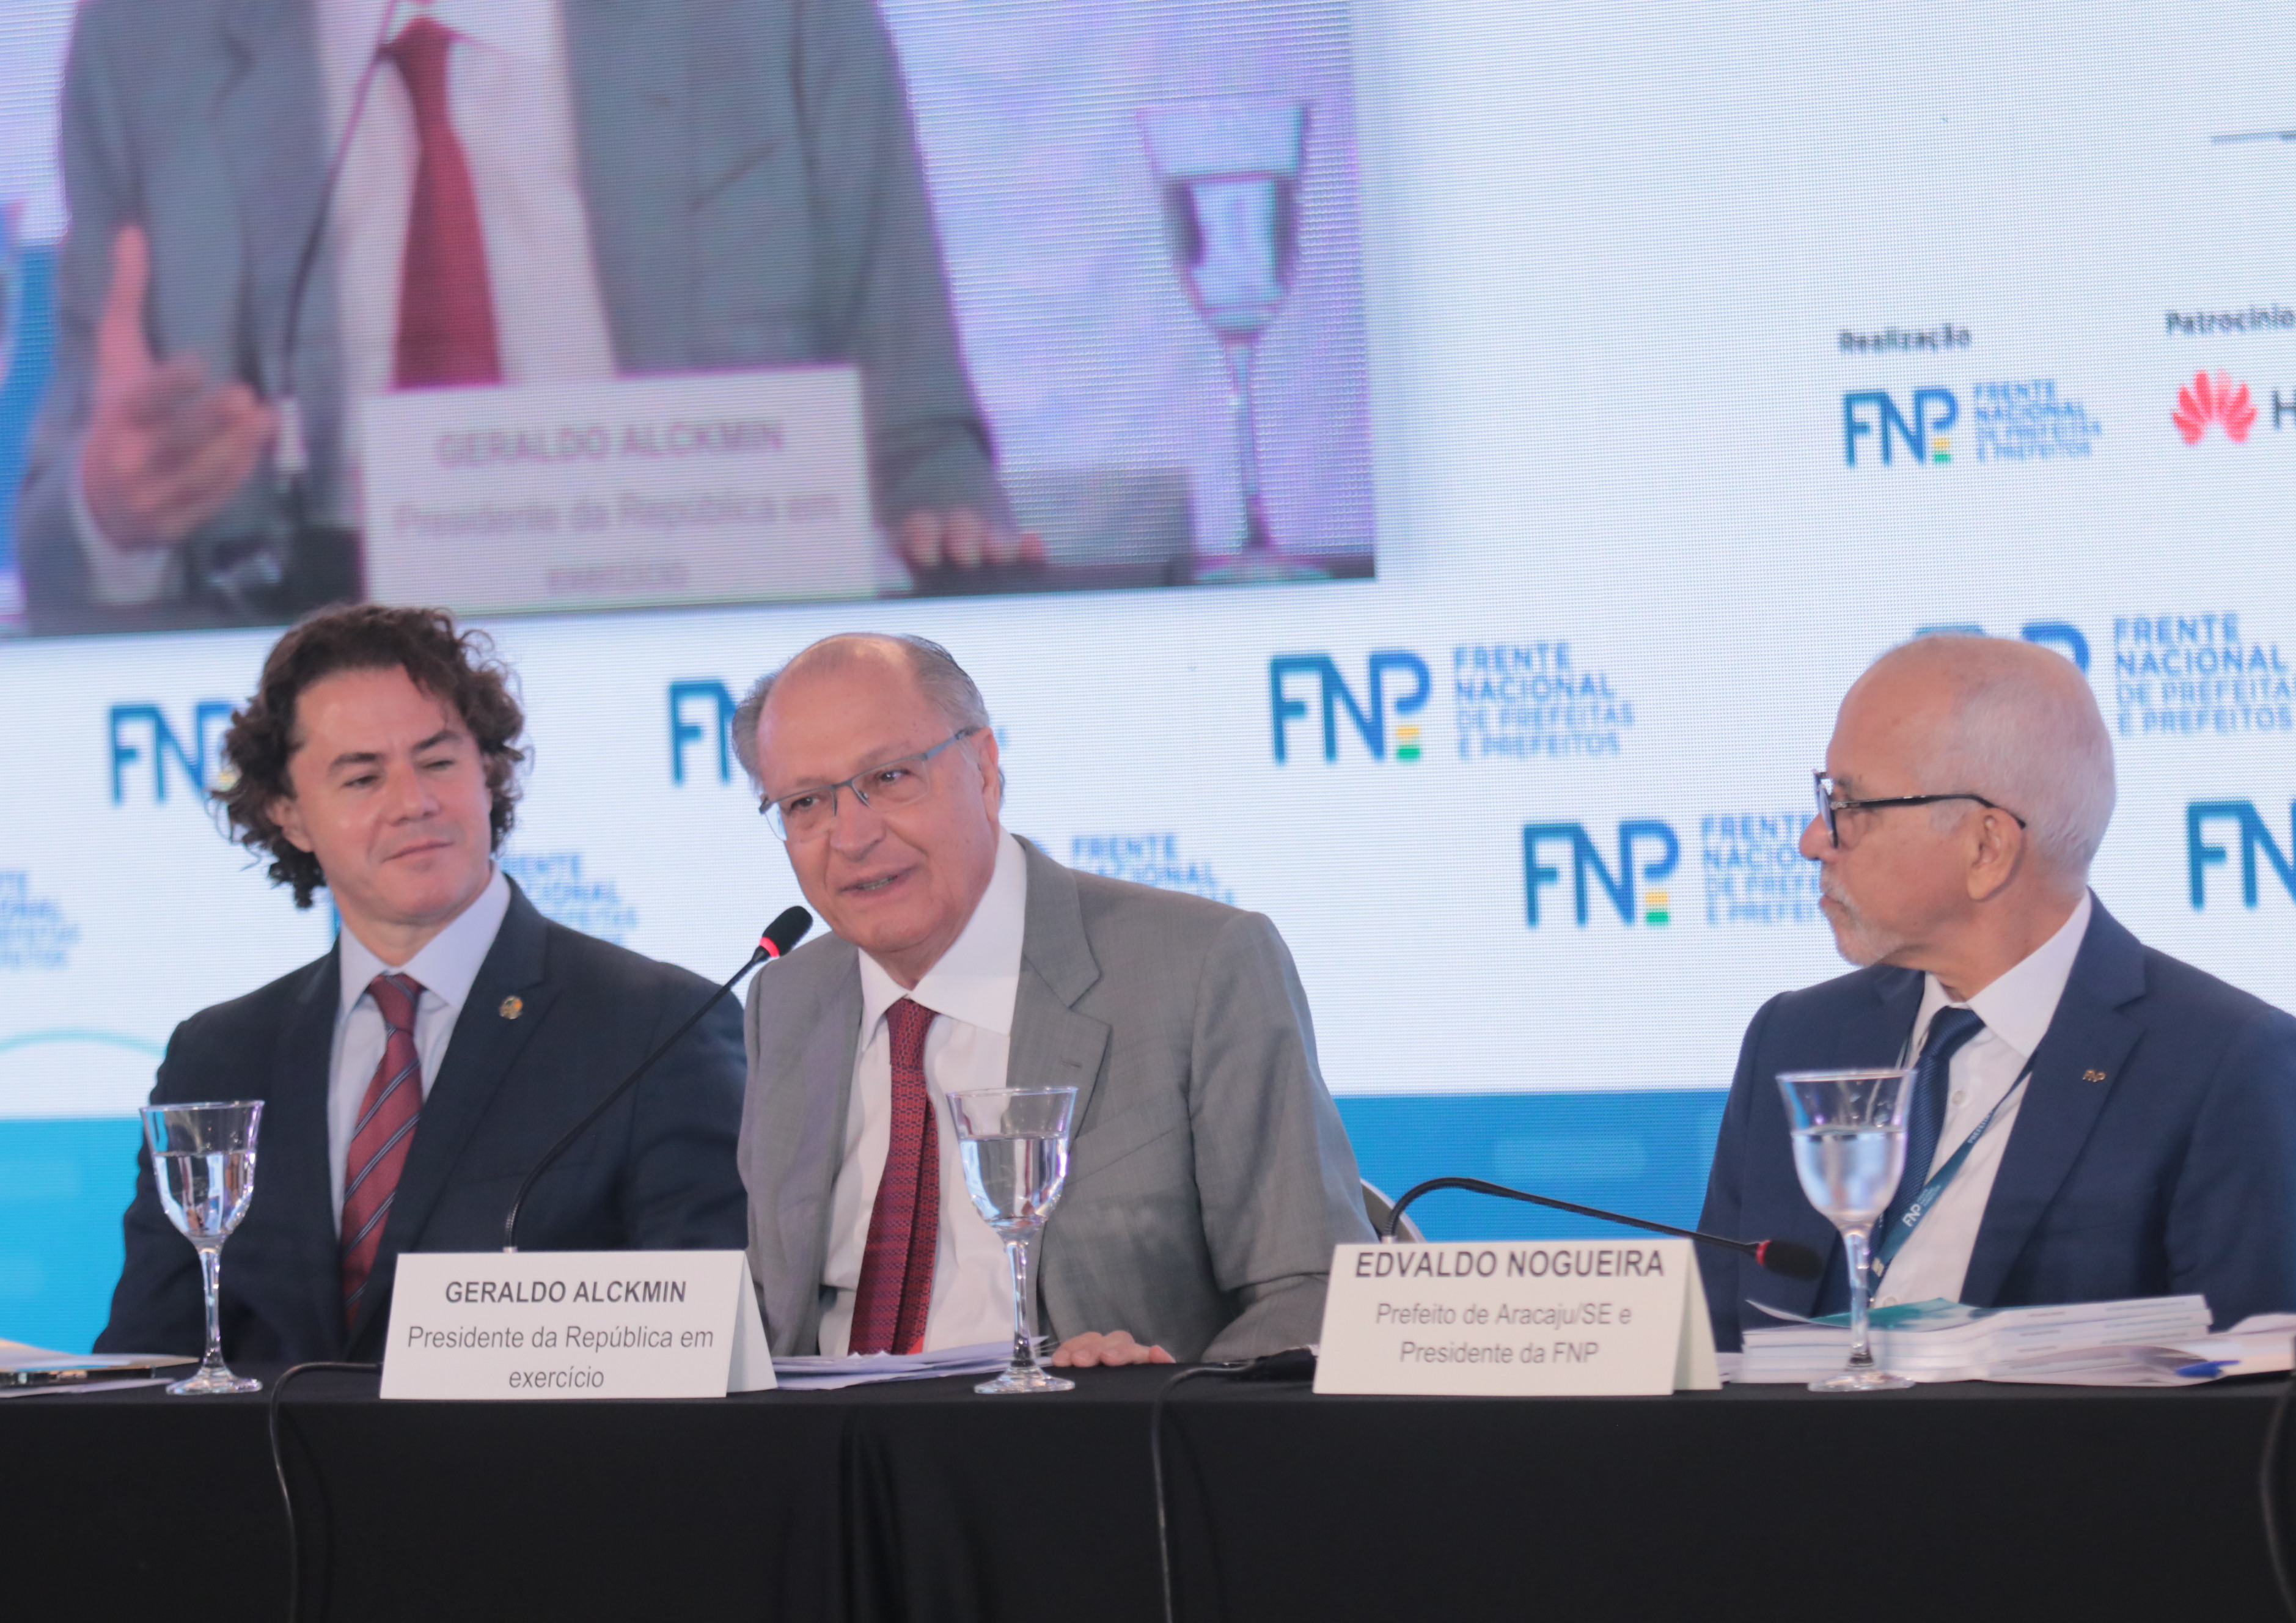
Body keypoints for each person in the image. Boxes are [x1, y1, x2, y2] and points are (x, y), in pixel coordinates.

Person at [21, 0, 1029, 632]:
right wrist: (116, 511)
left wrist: (941, 531)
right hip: (315, 682)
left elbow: (920, 444)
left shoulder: (783, 20)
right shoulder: (149, 39)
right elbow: (61, 535)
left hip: (704, 641)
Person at [97, 604, 747, 1364]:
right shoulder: (216, 1055)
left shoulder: (661, 1026)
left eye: (438, 762)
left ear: (489, 772)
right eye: (363, 777)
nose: (414, 802)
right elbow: (150, 1360)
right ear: (289, 813)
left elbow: (708, 1350)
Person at [732, 632, 1371, 1365]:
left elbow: (1312, 1289)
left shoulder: (1198, 967)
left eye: (890, 777)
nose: (852, 836)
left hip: (1088, 1431)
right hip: (825, 1434)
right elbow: (769, 1312)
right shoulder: (786, 999)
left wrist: (1163, 1396)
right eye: (806, 803)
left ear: (984, 769)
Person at [1697, 635, 2296, 1349]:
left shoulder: (2222, 1062)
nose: (1814, 839)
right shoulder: (1795, 1036)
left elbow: (2246, 1388)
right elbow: (1715, 1354)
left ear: (1987, 847)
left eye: (1849, 803)